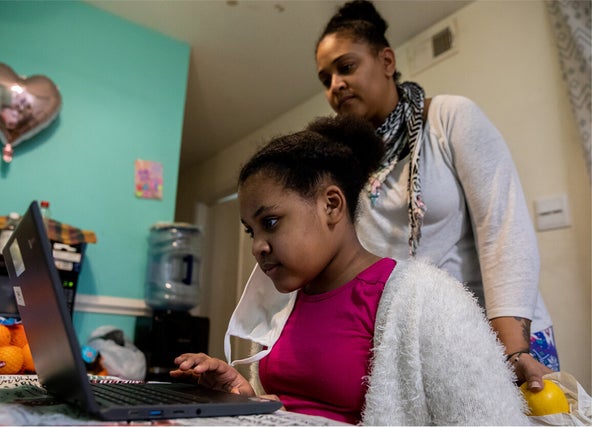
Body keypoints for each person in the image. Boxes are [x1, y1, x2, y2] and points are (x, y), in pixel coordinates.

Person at [172, 116, 526, 425]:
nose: (257, 246)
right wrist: (243, 394)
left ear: (331, 205)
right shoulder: (286, 302)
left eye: (271, 222)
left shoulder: (424, 299)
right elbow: (292, 407)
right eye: (252, 230)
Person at [313, 0, 557, 391]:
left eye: (346, 67)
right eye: (325, 79)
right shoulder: (349, 168)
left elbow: (502, 228)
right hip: (421, 349)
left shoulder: (448, 119)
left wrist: (512, 351)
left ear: (387, 61)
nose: (335, 85)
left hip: (502, 339)